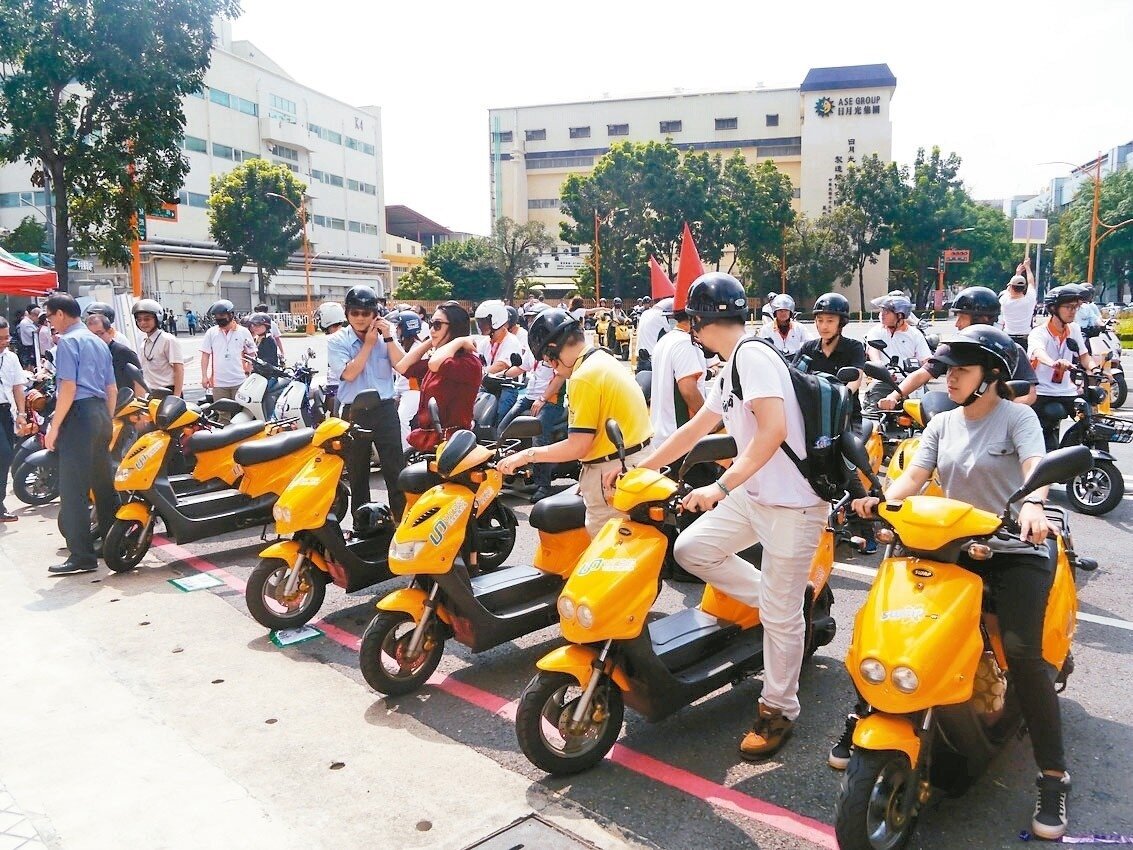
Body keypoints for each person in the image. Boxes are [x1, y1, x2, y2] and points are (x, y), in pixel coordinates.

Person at [849, 325, 1073, 840]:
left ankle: (1054, 776)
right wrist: (881, 498)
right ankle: (869, 711)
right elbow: (913, 478)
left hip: (1012, 546)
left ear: (992, 377)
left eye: (961, 370)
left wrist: (1034, 503)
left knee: (1023, 655)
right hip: (950, 546)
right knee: (888, 622)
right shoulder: (942, 422)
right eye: (947, 368)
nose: (948, 377)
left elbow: (1034, 467)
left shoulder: (1018, 418)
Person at [618, 272, 827, 759]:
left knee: (778, 614)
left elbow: (771, 431)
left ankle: (779, 709)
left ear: (701, 320)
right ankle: (785, 608)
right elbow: (696, 428)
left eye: (692, 320)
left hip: (792, 505)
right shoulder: (731, 365)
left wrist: (719, 486)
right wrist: (639, 467)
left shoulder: (752, 358)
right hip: (755, 496)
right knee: (694, 549)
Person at [497, 308, 651, 537]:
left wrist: (526, 455)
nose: (553, 368)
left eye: (549, 362)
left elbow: (578, 446)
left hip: (611, 473)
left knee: (606, 559)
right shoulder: (603, 358)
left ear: (552, 350)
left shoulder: (583, 377)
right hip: (632, 462)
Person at [41, 293, 117, 575]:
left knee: (73, 490)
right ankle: (112, 544)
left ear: (61, 314)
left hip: (78, 414)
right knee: (103, 485)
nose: (50, 324)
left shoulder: (68, 343)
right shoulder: (99, 342)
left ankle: (82, 555)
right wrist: (105, 419)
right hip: (100, 413)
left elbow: (68, 388)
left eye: (50, 317)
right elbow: (111, 389)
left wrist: (54, 426)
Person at [878, 286, 1037, 408]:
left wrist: (999, 413)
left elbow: (1029, 395)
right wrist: (893, 396)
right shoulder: (953, 348)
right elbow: (922, 374)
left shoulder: (1011, 350)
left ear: (982, 318)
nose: (957, 324)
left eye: (962, 317)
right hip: (960, 421)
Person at [327, 285, 407, 518]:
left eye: (366, 313)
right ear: (347, 314)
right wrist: (369, 344)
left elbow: (402, 366)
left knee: (395, 469)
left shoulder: (386, 337)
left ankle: (400, 521)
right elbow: (349, 374)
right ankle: (363, 526)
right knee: (358, 473)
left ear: (375, 314)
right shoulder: (337, 340)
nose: (360, 318)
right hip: (355, 411)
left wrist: (389, 337)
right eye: (355, 313)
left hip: (384, 409)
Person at [392, 301, 483, 451]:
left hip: (453, 444)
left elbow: (435, 364)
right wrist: (430, 341)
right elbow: (403, 367)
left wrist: (458, 340)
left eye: (438, 325)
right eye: (431, 323)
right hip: (432, 442)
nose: (432, 329)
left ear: (454, 327)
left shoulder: (468, 362)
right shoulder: (440, 359)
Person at [1028, 285, 1093, 451]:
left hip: (1067, 391)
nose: (1073, 311)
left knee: (1087, 421)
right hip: (1042, 393)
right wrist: (1053, 363)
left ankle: (1069, 455)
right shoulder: (1039, 333)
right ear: (1053, 308)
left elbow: (1084, 356)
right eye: (1068, 307)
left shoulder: (1074, 329)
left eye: (1075, 308)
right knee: (1043, 435)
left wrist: (1097, 369)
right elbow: (1038, 352)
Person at [498, 350, 567, 502]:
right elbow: (521, 368)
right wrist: (499, 375)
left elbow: (560, 377)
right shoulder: (532, 351)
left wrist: (543, 399)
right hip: (529, 398)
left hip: (550, 403)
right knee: (503, 428)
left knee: (539, 437)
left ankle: (543, 485)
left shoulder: (556, 353)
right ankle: (506, 470)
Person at [648, 300, 705, 443]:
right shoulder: (685, 343)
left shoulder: (665, 340)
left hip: (662, 434)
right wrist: (708, 421)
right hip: (681, 435)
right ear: (696, 318)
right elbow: (688, 389)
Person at [863, 293, 931, 406]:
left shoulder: (915, 334)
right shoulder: (876, 331)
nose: (882, 315)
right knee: (871, 412)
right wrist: (882, 370)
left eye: (887, 311)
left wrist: (930, 369)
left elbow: (926, 360)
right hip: (883, 381)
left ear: (900, 315)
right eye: (882, 311)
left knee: (927, 411)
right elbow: (873, 352)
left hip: (909, 381)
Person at [474, 300, 525, 425]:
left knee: (500, 415)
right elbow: (476, 358)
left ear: (496, 320)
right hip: (488, 385)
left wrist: (482, 373)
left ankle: (500, 438)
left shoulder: (511, 341)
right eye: (479, 322)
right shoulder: (485, 342)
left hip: (507, 387)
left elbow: (501, 364)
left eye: (484, 322)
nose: (481, 325)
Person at [0, 318, 29, 522]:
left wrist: (21, 413)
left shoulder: (10, 358)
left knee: (6, 458)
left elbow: (18, 387)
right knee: (4, 454)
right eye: (0, 338)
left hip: (5, 412)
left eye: (6, 337)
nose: (5, 341)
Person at [199, 299, 255, 402]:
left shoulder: (243, 332)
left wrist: (249, 372)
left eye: (222, 315)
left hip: (240, 382)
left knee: (240, 414)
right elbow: (205, 355)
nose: (219, 318)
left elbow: (252, 354)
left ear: (231, 315)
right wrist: (204, 376)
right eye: (216, 316)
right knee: (222, 415)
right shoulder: (211, 333)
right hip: (219, 384)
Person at [132, 299, 184, 397]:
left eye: (147, 319)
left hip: (168, 393)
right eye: (139, 320)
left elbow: (179, 370)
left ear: (157, 318)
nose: (142, 323)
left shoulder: (168, 340)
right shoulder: (144, 342)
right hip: (151, 394)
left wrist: (176, 397)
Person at [85, 312, 144, 396]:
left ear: (110, 332)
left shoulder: (123, 352)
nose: (96, 338)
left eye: (100, 333)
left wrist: (139, 405)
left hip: (127, 403)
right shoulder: (91, 354)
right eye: (92, 335)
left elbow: (139, 382)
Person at [1000, 257, 1038, 348]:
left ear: (1011, 287)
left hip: (1008, 338)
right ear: (1024, 288)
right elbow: (1031, 283)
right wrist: (1028, 268)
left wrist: (1017, 274)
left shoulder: (1004, 300)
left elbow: (1008, 289)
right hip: (1025, 339)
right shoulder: (1029, 300)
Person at [635, 295, 670, 374]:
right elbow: (670, 331)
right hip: (652, 357)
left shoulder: (645, 313)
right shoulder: (661, 315)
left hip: (641, 356)